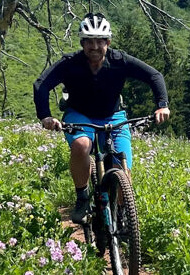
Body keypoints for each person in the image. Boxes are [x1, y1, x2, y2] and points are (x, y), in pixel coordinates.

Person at [34, 12, 170, 223]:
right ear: (82, 42)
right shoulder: (70, 63)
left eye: (100, 41)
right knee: (81, 145)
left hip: (113, 116)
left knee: (122, 168)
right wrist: (45, 116)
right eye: (89, 41)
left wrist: (162, 106)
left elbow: (154, 76)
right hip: (79, 115)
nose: (95, 47)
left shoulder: (119, 60)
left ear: (108, 41)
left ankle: (125, 218)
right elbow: (42, 85)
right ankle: (82, 198)